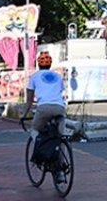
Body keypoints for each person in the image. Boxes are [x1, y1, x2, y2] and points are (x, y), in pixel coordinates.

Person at [20, 51, 67, 184]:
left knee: (34, 131)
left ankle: (42, 151)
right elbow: (59, 92)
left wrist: (23, 116)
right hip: (59, 108)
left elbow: (29, 101)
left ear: (37, 64)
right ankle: (61, 171)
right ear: (50, 64)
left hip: (43, 109)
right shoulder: (58, 77)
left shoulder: (34, 77)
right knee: (60, 138)